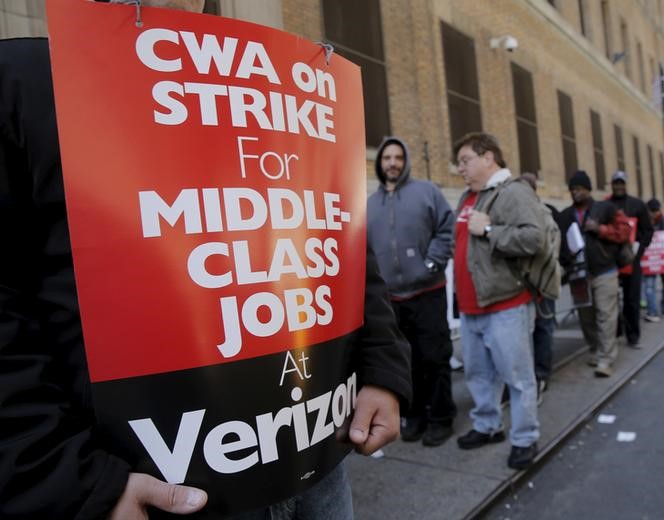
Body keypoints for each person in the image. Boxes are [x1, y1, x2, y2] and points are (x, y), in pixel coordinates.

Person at [0, 4, 411, 518]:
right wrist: (75, 484)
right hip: (158, 490)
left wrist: (381, 367)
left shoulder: (279, 86)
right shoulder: (25, 83)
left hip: (320, 461)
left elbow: (334, 237)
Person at [451, 132, 544, 470]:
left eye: (465, 160)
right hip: (472, 307)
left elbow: (534, 239)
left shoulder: (513, 192)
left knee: (517, 378)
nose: (460, 168)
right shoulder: (467, 197)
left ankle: (524, 438)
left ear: (488, 157)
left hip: (505, 305)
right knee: (478, 375)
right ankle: (488, 426)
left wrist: (490, 231)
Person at [367, 137, 456, 447]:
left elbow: (447, 229)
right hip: (392, 300)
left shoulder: (427, 192)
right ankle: (415, 417)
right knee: (407, 364)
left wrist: (430, 264)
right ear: (380, 163)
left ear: (405, 162)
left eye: (398, 157)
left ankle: (441, 418)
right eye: (387, 158)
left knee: (435, 357)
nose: (392, 163)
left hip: (428, 291)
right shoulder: (369, 204)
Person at [557, 171, 631, 378]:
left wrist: (601, 230)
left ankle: (606, 359)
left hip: (605, 270)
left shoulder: (605, 208)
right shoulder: (565, 216)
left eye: (579, 188)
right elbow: (559, 243)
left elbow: (625, 230)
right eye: (572, 189)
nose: (575, 192)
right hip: (578, 274)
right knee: (586, 316)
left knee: (606, 316)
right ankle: (595, 349)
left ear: (588, 189)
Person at [520, 173, 559, 405]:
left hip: (541, 284)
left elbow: (549, 251)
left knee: (543, 329)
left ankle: (541, 374)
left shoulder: (543, 214)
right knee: (528, 333)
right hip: (526, 286)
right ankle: (533, 376)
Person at [609, 171, 653, 347]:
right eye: (616, 183)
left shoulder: (638, 205)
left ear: (626, 184)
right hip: (610, 260)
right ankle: (617, 329)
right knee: (611, 298)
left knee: (632, 299)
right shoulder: (605, 204)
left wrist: (639, 249)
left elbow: (647, 231)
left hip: (632, 260)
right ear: (612, 185)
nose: (619, 186)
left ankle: (633, 335)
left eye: (621, 183)